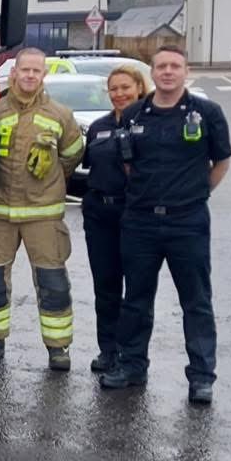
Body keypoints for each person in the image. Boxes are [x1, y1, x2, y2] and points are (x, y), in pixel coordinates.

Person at [100, 45, 231, 404]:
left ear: (185, 71)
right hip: (140, 222)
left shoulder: (207, 113)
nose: (168, 72)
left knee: (196, 301)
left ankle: (201, 377)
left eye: (175, 66)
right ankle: (131, 366)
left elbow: (221, 161)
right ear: (152, 73)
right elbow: (129, 164)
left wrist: (197, 193)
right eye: (161, 66)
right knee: (136, 300)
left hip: (187, 221)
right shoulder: (133, 113)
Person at [0, 47, 84, 371]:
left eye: (37, 71)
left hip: (43, 215)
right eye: (25, 70)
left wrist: (50, 178)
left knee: (53, 282)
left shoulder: (60, 114)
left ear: (44, 75)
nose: (30, 75)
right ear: (14, 72)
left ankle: (58, 347)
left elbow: (73, 155)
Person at [80, 64, 146, 373]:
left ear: (139, 88)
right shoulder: (98, 126)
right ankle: (108, 350)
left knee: (136, 290)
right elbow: (87, 165)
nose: (120, 94)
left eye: (126, 88)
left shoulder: (150, 123)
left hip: (135, 216)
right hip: (99, 215)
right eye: (114, 88)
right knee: (105, 286)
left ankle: (132, 355)